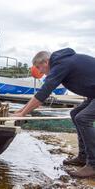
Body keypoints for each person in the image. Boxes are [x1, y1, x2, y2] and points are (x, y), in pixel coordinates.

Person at [13, 48, 95, 178]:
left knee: (82, 118)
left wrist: (23, 114)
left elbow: (44, 92)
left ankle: (93, 165)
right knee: (75, 114)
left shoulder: (61, 64)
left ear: (46, 61)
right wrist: (20, 111)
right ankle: (83, 157)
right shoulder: (63, 61)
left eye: (40, 68)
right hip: (92, 94)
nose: (40, 72)